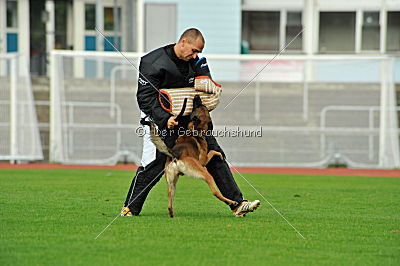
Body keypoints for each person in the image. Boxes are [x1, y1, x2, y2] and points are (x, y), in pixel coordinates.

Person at [121, 28, 260, 217]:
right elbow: (145, 98)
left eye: (199, 52)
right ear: (183, 41)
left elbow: (205, 87)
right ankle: (130, 208)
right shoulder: (151, 62)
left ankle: (238, 204)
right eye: (194, 50)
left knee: (215, 153)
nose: (196, 55)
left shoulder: (196, 61)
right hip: (159, 119)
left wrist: (210, 94)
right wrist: (164, 118)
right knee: (156, 161)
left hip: (189, 119)